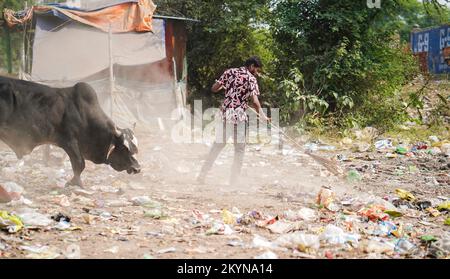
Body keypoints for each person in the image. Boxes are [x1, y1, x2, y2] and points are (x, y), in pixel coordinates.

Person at [197, 56, 270, 186]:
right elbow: (255, 101)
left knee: (217, 146)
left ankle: (202, 175)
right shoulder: (250, 79)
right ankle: (233, 181)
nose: (257, 73)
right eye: (257, 70)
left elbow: (214, 88)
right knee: (239, 150)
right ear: (252, 66)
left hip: (225, 115)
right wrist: (262, 116)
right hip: (239, 117)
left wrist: (223, 88)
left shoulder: (229, 72)